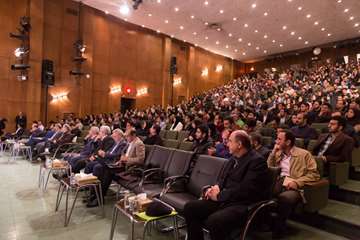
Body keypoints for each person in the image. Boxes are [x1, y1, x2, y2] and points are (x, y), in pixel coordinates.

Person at [183, 130, 269, 240]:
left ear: (239, 144)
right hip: (224, 199)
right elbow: (222, 178)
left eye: (230, 141)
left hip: (241, 204)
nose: (227, 144)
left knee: (214, 221)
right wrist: (216, 188)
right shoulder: (233, 158)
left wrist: (219, 196)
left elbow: (246, 190)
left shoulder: (257, 161)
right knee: (190, 208)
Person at [267, 130, 320, 238]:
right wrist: (273, 153)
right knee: (260, 189)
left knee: (285, 198)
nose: (276, 142)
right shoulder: (278, 152)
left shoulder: (304, 154)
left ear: (288, 142)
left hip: (294, 185)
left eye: (279, 139)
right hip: (278, 181)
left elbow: (314, 174)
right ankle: (264, 222)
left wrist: (297, 182)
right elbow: (269, 169)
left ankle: (278, 230)